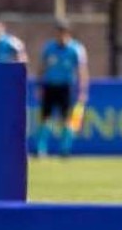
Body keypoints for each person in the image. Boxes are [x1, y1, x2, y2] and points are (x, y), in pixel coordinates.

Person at [35, 18, 89, 157]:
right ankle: (40, 149)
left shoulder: (75, 49)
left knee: (67, 119)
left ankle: (65, 149)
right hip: (50, 86)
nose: (60, 35)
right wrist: (39, 86)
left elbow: (81, 71)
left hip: (66, 87)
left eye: (63, 32)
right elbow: (42, 68)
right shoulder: (49, 47)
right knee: (45, 118)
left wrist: (83, 90)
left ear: (68, 33)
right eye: (58, 32)